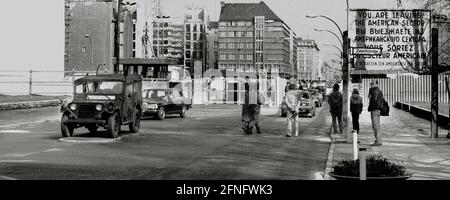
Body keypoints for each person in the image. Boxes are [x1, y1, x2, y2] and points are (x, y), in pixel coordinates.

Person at [368, 80, 384, 146]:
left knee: (375, 126)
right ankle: (378, 140)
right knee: (377, 125)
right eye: (370, 83)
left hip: (375, 110)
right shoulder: (378, 90)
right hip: (378, 110)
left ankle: (378, 141)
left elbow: (373, 101)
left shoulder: (374, 91)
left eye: (372, 83)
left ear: (376, 84)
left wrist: (371, 107)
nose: (371, 84)